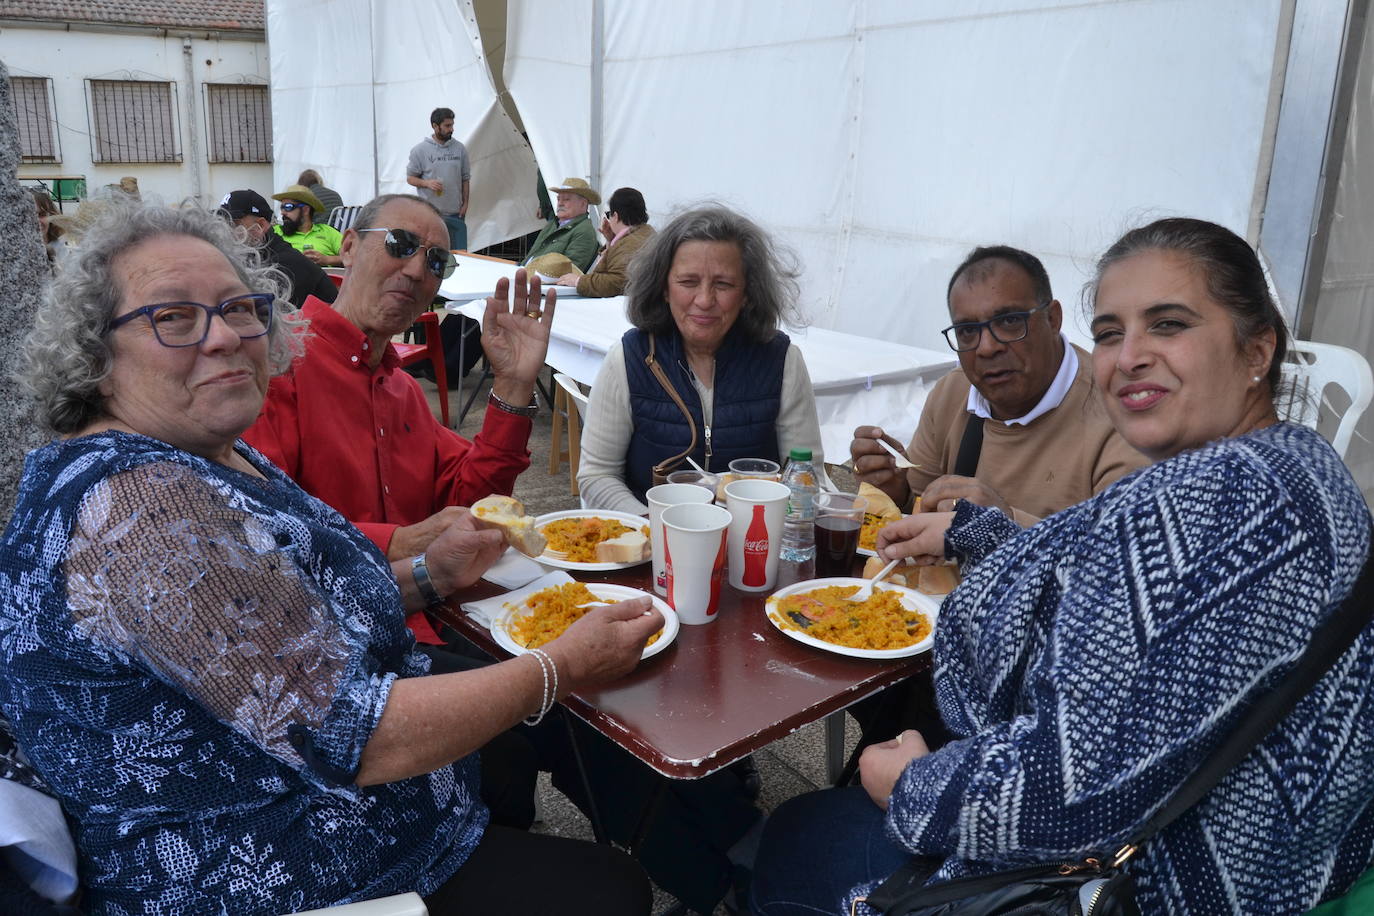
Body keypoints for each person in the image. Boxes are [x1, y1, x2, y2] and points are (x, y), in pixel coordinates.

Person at [0, 201, 658, 915]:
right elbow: (354, 738)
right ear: (96, 358)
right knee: (612, 882)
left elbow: (303, 589)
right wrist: (557, 666)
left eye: (241, 308)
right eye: (174, 318)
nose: (223, 337)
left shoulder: (213, 442)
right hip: (270, 867)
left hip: (326, 746)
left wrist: (433, 571)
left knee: (536, 739)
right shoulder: (144, 509)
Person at [749, 218, 1374, 916]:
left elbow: (1065, 787)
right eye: (1110, 332)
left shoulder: (1211, 494)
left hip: (1165, 881)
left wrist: (913, 784)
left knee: (799, 838)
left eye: (1168, 325)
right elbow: (1142, 605)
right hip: (1306, 859)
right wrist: (975, 532)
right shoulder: (1303, 467)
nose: (1129, 356)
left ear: (1257, 348)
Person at [243, 193, 549, 648]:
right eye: (400, 244)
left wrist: (513, 385)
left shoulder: (401, 389)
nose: (415, 270)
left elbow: (478, 504)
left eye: (436, 261)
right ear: (348, 247)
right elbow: (260, 532)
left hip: (438, 622)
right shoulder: (275, 371)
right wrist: (399, 541)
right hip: (334, 649)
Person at [851, 245, 1146, 524]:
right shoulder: (952, 394)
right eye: (967, 331)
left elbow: (1116, 565)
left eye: (1009, 322)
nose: (987, 348)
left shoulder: (1121, 412)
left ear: (1053, 319)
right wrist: (894, 490)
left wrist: (1004, 526)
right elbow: (917, 513)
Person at [577, 206, 823, 514]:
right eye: (688, 282)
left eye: (723, 284)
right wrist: (655, 530)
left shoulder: (782, 360)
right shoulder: (628, 358)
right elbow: (597, 475)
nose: (705, 300)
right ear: (664, 288)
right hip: (654, 547)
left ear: (747, 293)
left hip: (754, 546)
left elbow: (808, 478)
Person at [217, 188, 338, 308]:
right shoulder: (256, 255)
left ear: (260, 225)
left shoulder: (284, 266)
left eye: (234, 224)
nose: (225, 230)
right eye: (222, 222)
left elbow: (273, 320)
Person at [555, 186, 656, 297]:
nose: (560, 203)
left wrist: (578, 281)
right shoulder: (642, 234)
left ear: (616, 216)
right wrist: (610, 240)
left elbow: (616, 282)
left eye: (609, 214)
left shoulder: (632, 243)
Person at [406, 107, 471, 251]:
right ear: (435, 126)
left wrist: (466, 203)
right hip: (430, 213)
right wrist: (426, 183)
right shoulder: (420, 150)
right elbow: (410, 178)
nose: (451, 129)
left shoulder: (460, 149)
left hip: (455, 213)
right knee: (431, 252)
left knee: (456, 254)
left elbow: (465, 178)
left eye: (452, 125)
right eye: (447, 126)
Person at [524, 177, 600, 273]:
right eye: (558, 199)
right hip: (529, 276)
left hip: (544, 284)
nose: (560, 203)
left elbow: (570, 270)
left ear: (583, 204)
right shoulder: (553, 224)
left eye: (566, 199)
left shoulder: (585, 231)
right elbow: (532, 255)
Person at [272, 183, 343, 267]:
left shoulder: (327, 231)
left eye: (288, 207)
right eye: (282, 207)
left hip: (323, 277)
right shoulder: (275, 232)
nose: (282, 212)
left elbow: (353, 255)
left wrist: (327, 259)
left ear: (305, 210)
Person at [30, 188, 71, 274]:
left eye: (41, 214)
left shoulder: (60, 247)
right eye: (30, 215)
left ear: (51, 215)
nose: (36, 221)